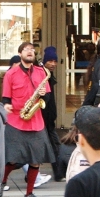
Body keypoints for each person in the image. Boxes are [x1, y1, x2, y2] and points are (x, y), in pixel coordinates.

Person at [0, 42, 55, 197]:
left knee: (35, 160)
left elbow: (47, 99)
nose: (30, 52)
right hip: (16, 120)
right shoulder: (11, 74)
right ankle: (2, 182)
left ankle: (29, 194)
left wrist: (43, 95)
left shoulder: (42, 72)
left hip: (36, 121)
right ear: (20, 53)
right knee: (12, 159)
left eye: (33, 50)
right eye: (27, 50)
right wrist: (6, 105)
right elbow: (6, 99)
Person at [41, 46, 61, 182]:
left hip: (48, 117)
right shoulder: (42, 73)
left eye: (55, 61)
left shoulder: (48, 74)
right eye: (50, 61)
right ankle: (59, 173)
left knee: (54, 145)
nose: (53, 64)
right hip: (44, 117)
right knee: (54, 145)